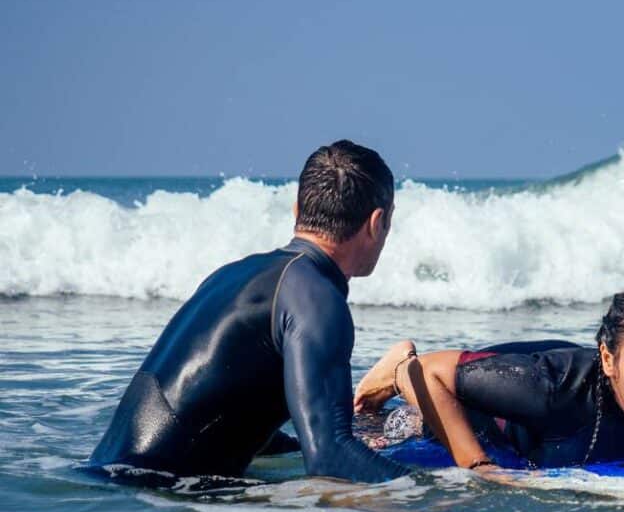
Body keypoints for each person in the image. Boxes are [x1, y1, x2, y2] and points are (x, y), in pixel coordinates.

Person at [90, 140, 405, 483]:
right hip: (155, 499)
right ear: (377, 222)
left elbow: (226, 416)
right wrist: (438, 495)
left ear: (297, 209)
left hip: (107, 483)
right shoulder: (317, 298)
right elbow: (331, 461)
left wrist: (309, 446)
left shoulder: (234, 275)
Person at [353, 282, 624, 469]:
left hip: (561, 366)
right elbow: (427, 375)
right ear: (609, 360)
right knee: (397, 425)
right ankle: (394, 361)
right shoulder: (550, 393)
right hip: (502, 385)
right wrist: (478, 467)